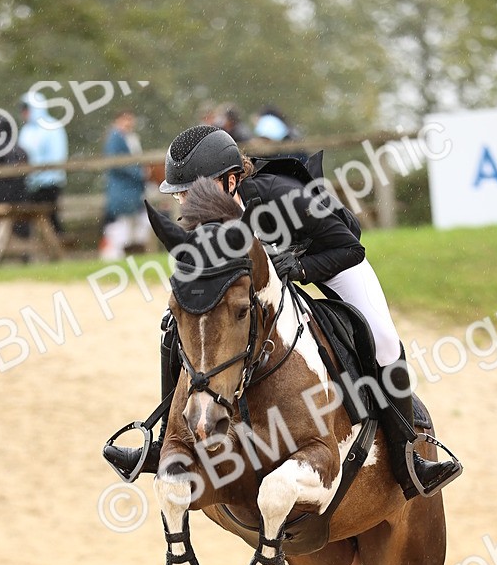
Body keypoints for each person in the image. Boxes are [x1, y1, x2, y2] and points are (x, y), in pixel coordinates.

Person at [105, 125, 461, 500]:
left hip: (330, 258)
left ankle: (411, 457)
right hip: (271, 276)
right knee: (175, 325)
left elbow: (350, 249)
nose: (187, 206)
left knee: (385, 341)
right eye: (180, 196)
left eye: (193, 193)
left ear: (230, 181)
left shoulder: (282, 198)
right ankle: (166, 440)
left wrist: (301, 268)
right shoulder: (206, 220)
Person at [100, 110, 148, 260]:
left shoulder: (128, 138)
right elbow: (118, 163)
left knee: (137, 224)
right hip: (122, 191)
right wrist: (139, 173)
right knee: (121, 227)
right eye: (125, 120)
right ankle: (113, 257)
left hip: (131, 191)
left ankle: (128, 256)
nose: (128, 123)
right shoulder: (116, 138)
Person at [17, 90, 68, 232]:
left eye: (26, 109)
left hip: (49, 183)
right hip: (29, 184)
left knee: (50, 218)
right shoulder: (26, 131)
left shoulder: (53, 127)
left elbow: (58, 157)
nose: (24, 114)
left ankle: (60, 247)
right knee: (28, 219)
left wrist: (40, 175)